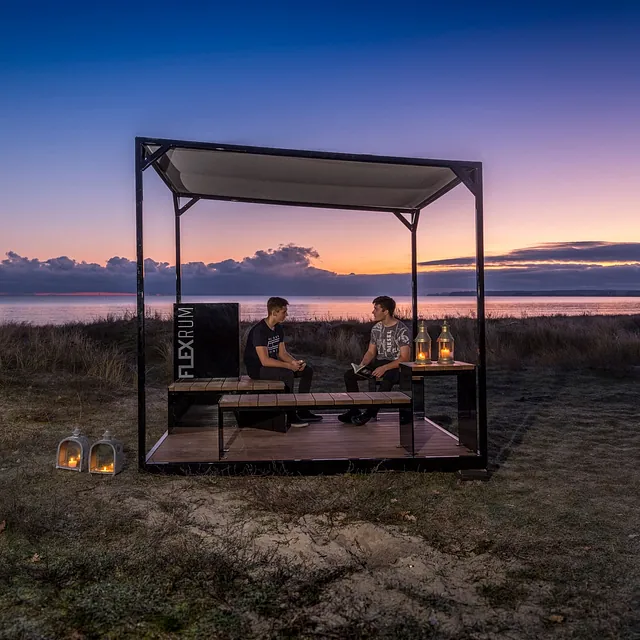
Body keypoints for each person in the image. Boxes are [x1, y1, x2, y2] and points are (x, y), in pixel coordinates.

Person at [244, 297, 323, 428]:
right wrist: (288, 366)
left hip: (270, 365)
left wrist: (295, 363)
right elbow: (264, 360)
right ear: (274, 312)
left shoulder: (278, 328)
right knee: (287, 374)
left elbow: (282, 354)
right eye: (284, 312)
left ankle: (303, 410)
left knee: (307, 370)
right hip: (257, 369)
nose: (286, 315)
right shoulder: (259, 331)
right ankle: (291, 416)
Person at [340, 295, 411, 425]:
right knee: (349, 375)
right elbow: (371, 351)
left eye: (376, 309)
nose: (373, 312)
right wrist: (362, 364)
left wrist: (385, 368)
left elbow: (405, 358)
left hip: (396, 365)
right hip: (380, 362)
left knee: (387, 378)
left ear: (386, 311)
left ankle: (370, 413)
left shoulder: (402, 329)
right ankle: (354, 410)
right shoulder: (376, 328)